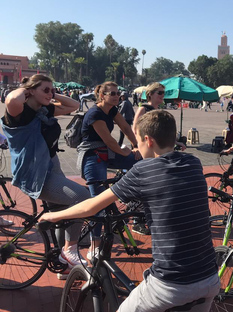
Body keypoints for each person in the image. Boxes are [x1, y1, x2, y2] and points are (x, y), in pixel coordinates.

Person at [40, 110, 220, 312]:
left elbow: (92, 205)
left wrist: (53, 215)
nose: (136, 147)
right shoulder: (193, 163)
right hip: (210, 278)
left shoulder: (143, 170)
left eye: (137, 142)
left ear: (148, 140)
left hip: (170, 284)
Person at [0, 75, 91, 279]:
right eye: (46, 90)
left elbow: (73, 105)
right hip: (36, 175)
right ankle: (70, 249)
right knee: (83, 198)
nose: (51, 94)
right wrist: (27, 89)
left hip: (52, 167)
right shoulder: (19, 114)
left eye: (52, 90)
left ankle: (63, 264)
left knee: (65, 215)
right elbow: (11, 100)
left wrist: (51, 93)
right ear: (31, 91)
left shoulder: (44, 109)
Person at [77, 81, 142, 247]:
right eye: (112, 93)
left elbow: (126, 128)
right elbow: (109, 141)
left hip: (107, 152)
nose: (116, 96)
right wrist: (128, 153)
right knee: (98, 204)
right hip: (92, 156)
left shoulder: (112, 110)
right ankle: (94, 246)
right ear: (102, 95)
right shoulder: (94, 114)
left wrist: (136, 147)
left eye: (117, 93)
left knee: (141, 161)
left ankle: (129, 195)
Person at [132, 82, 186, 151]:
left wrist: (175, 143)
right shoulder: (143, 109)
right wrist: (136, 147)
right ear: (150, 94)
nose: (163, 95)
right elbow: (135, 130)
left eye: (164, 93)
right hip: (145, 149)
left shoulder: (159, 112)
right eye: (160, 93)